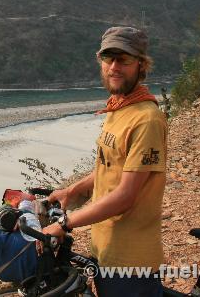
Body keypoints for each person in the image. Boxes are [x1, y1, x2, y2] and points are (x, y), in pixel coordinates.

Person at [43, 26, 167, 297]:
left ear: (141, 65)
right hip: (105, 248)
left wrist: (65, 223)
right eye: (108, 58)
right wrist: (73, 190)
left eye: (123, 60)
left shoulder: (146, 119)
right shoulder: (119, 107)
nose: (114, 66)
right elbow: (110, 167)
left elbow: (125, 196)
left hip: (131, 262)